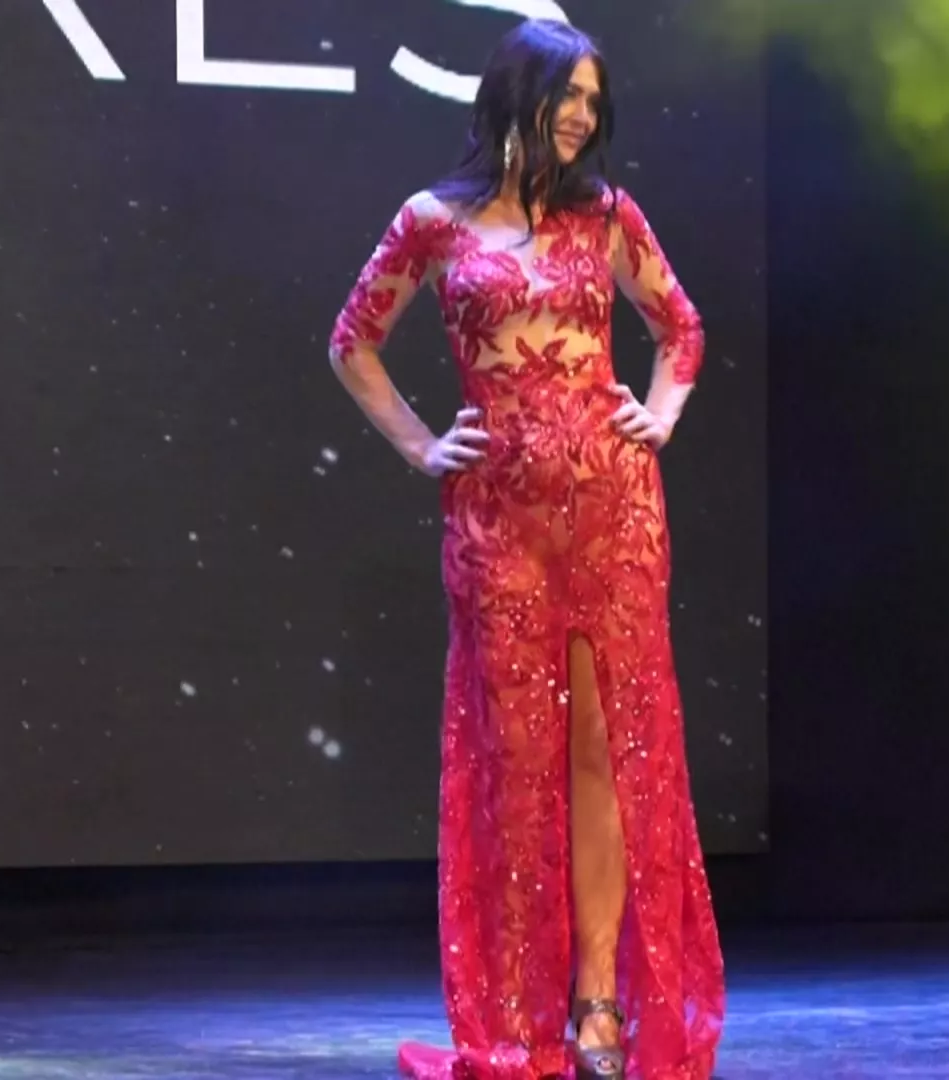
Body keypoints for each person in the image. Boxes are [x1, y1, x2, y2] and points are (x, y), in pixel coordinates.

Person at [327, 17, 725, 1080]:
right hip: (497, 527)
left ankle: (597, 1008)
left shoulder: (608, 218)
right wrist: (422, 445)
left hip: (612, 517)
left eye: (596, 100)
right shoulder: (433, 222)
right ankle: (517, 1019)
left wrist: (659, 413)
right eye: (570, 95)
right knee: (515, 767)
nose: (585, 115)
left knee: (599, 754)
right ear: (518, 94)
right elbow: (352, 340)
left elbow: (681, 327)